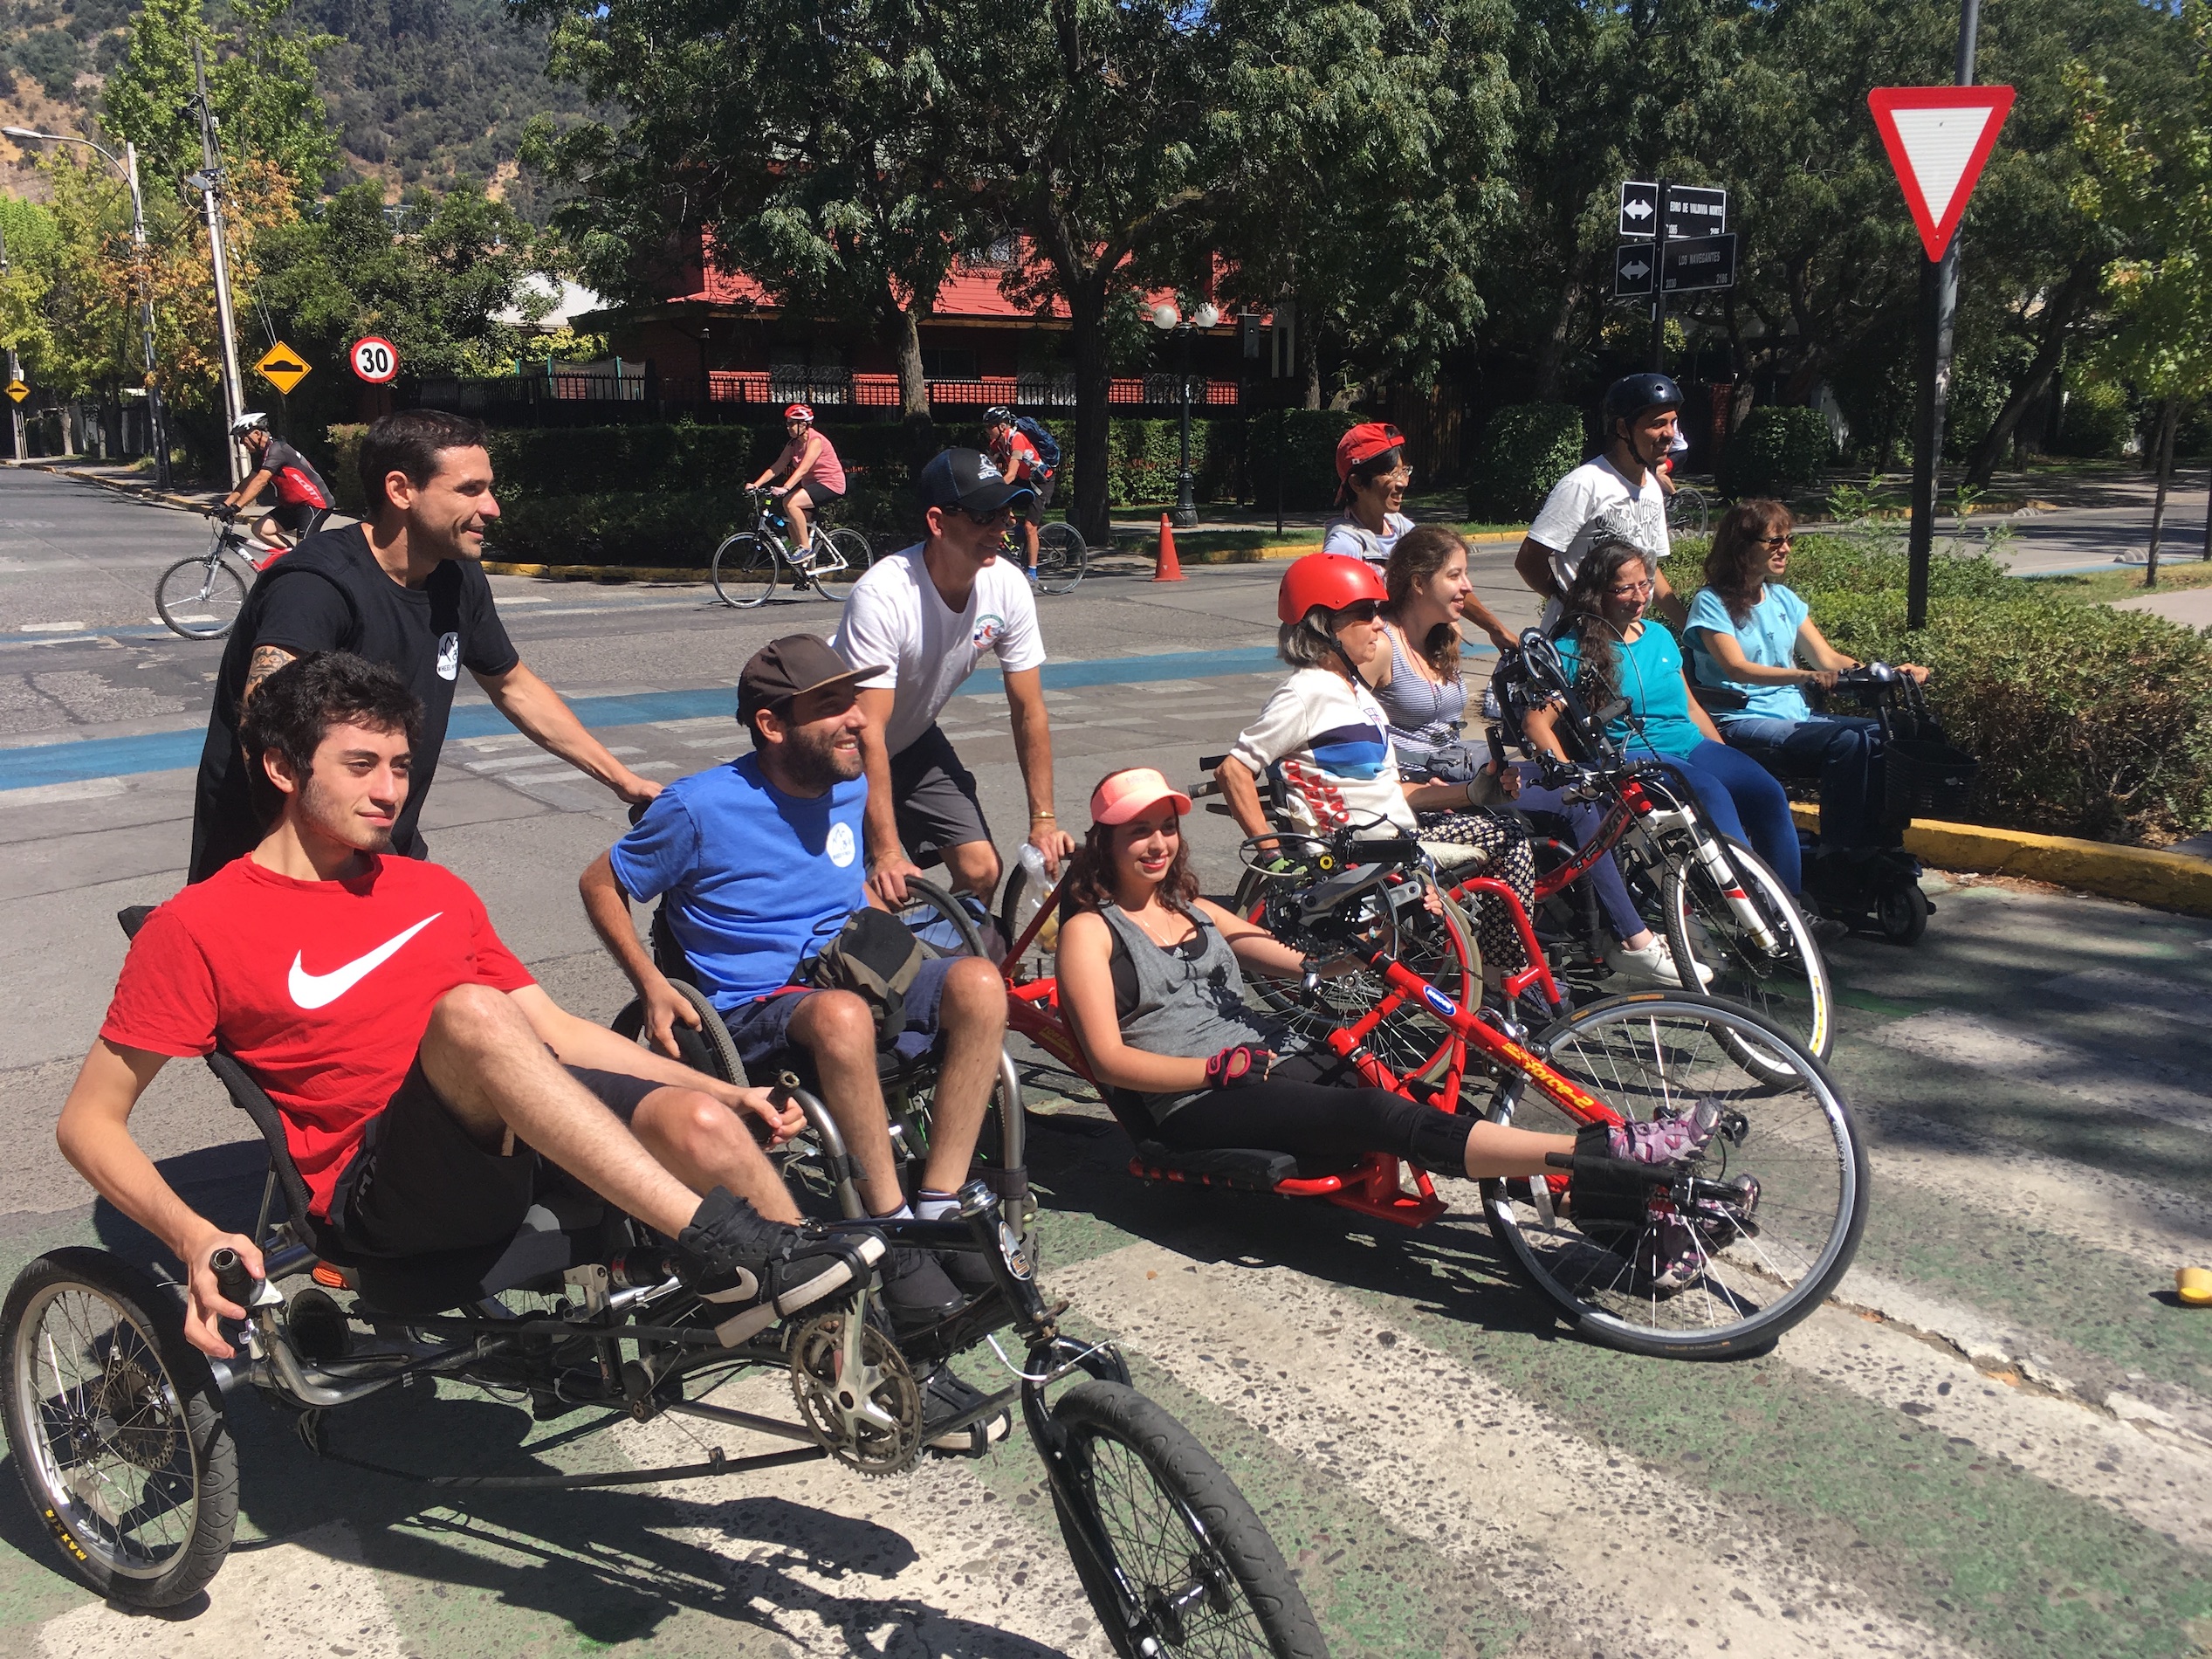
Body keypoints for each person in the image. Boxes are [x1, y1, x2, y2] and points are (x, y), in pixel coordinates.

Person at [64, 652, 881, 1363]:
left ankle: (850, 1343)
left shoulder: (432, 889)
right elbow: (87, 1124)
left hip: (514, 1135)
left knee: (698, 1121)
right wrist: (192, 1235)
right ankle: (727, 1251)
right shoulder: (198, 925)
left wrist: (728, 1094)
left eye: (401, 767)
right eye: (360, 766)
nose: (389, 793)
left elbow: (556, 1031)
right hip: (385, 1191)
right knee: (472, 1014)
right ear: (284, 768)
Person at [1055, 767, 1719, 1290]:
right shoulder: (1090, 932)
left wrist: (1385, 933)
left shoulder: (1193, 906)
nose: (1156, 843)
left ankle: (1639, 1222)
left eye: (1165, 827)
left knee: (1424, 1106)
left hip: (1269, 1064)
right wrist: (1209, 1070)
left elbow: (1305, 964)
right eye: (1137, 830)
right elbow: (1109, 1060)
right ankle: (1615, 1153)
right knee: (1379, 1112)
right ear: (1105, 842)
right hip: (1198, 1100)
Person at [579, 634, 1011, 1332]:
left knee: (981, 983)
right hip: (747, 1011)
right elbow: (601, 882)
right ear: (772, 725)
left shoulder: (844, 786)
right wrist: (652, 983)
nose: (859, 720)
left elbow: (841, 879)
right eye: (832, 706)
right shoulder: (699, 807)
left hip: (845, 975)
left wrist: (881, 873)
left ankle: (940, 1201)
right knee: (841, 1017)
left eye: (854, 701)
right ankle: (888, 1221)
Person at [189, 410, 661, 884]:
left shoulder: (455, 576)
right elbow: (262, 718)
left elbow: (513, 686)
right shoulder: (317, 585)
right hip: (277, 865)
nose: (493, 507)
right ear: (400, 491)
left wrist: (624, 781)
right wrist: (314, 863)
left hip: (381, 850)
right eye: (470, 490)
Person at [1213, 553, 1536, 978]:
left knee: (1506, 822)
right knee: (1510, 837)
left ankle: (1496, 976)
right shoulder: (1304, 694)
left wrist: (1474, 792)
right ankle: (1504, 979)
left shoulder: (1360, 697)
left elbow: (1389, 790)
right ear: (1323, 626)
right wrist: (1273, 859)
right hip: (1354, 850)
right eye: (1365, 614)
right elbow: (1233, 770)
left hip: (1393, 837)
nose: (1380, 624)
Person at [831, 447, 1075, 905]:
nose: (1000, 527)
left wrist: (1043, 820)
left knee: (982, 871)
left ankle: (943, 969)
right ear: (938, 522)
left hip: (911, 739)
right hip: (838, 753)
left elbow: (1029, 709)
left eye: (1005, 512)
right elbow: (867, 731)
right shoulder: (884, 594)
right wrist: (886, 851)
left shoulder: (1007, 585)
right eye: (984, 515)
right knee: (876, 900)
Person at [1522, 537, 1803, 895]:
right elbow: (1536, 722)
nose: (1640, 597)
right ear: (1598, 593)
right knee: (1709, 791)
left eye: (1645, 584)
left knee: (1766, 791)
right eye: (1625, 589)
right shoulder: (1571, 650)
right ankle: (1749, 906)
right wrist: (1573, 779)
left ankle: (1790, 905)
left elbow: (1689, 707)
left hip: (1689, 745)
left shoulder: (1659, 636)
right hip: (1636, 756)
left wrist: (1723, 755)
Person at [1687, 500, 1929, 850]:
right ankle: (1841, 851)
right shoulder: (1711, 603)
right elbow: (1736, 668)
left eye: (1788, 540)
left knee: (1887, 733)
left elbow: (1827, 657)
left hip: (1794, 715)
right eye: (1774, 541)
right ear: (1742, 547)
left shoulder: (1784, 599)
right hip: (1743, 717)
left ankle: (1879, 842)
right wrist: (1803, 676)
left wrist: (1888, 673)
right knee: (1847, 741)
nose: (1785, 549)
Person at [1515, 374, 1686, 628]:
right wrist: (1571, 603)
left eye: (1673, 423)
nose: (1669, 434)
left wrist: (1689, 627)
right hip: (1580, 638)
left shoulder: (1651, 487)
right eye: (1658, 424)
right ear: (1621, 428)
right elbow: (1529, 560)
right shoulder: (1585, 484)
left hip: (1628, 635)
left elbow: (1650, 569)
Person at [745, 404, 846, 561]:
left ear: (804, 424)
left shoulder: (815, 440)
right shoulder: (793, 444)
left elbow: (803, 470)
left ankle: (805, 548)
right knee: (793, 525)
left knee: (791, 503)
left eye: (792, 423)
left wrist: (785, 488)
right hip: (811, 486)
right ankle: (803, 570)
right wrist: (756, 484)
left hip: (830, 484)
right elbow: (777, 467)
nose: (788, 427)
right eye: (787, 423)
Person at [220, 412, 333, 547]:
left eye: (243, 437)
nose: (241, 442)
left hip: (314, 504)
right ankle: (293, 560)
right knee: (260, 529)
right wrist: (225, 505)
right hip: (294, 506)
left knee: (304, 549)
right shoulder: (263, 455)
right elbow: (248, 482)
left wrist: (236, 508)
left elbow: (260, 482)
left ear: (256, 434)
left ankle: (305, 562)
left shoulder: (277, 450)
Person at [1322, 423, 1415, 565]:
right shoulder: (1344, 544)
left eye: (1404, 471)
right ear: (1357, 483)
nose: (1403, 483)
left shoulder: (1400, 526)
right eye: (1393, 473)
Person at [984, 406, 1058, 583]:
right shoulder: (997, 443)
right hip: (1025, 479)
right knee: (1000, 505)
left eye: (990, 426)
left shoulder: (1017, 439)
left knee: (1030, 527)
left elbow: (1010, 474)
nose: (987, 430)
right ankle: (1015, 527)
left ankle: (1032, 572)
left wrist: (992, 486)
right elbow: (988, 466)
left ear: (1002, 426)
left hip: (1042, 483)